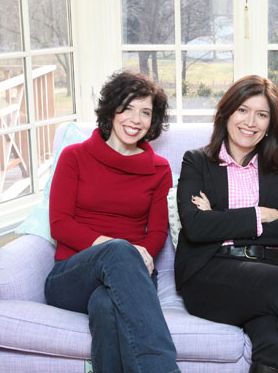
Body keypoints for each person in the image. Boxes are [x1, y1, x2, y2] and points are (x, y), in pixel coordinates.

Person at [174, 75, 278, 373]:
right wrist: (259, 214)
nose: (250, 122)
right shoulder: (196, 161)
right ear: (227, 113)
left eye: (261, 115)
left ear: (270, 124)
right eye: (243, 110)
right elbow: (196, 227)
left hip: (269, 275)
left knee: (271, 343)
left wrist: (220, 219)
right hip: (210, 274)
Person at [45, 71, 180, 373]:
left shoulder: (159, 169)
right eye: (128, 108)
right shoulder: (74, 156)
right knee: (119, 251)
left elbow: (157, 231)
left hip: (130, 277)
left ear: (153, 121)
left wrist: (133, 254)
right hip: (72, 274)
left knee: (106, 306)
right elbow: (60, 224)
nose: (136, 119)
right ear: (112, 110)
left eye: (145, 112)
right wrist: (121, 249)